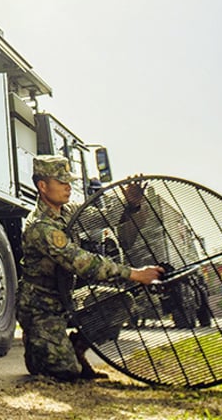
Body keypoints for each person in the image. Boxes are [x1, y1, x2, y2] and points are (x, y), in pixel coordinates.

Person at [17, 155, 164, 381]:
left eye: (69, 181)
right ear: (43, 186)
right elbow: (82, 262)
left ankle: (76, 349)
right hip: (41, 308)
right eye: (61, 182)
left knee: (120, 302)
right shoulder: (40, 227)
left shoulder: (68, 212)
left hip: (65, 299)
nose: (68, 186)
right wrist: (134, 274)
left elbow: (103, 217)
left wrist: (130, 204)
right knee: (67, 373)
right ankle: (40, 348)